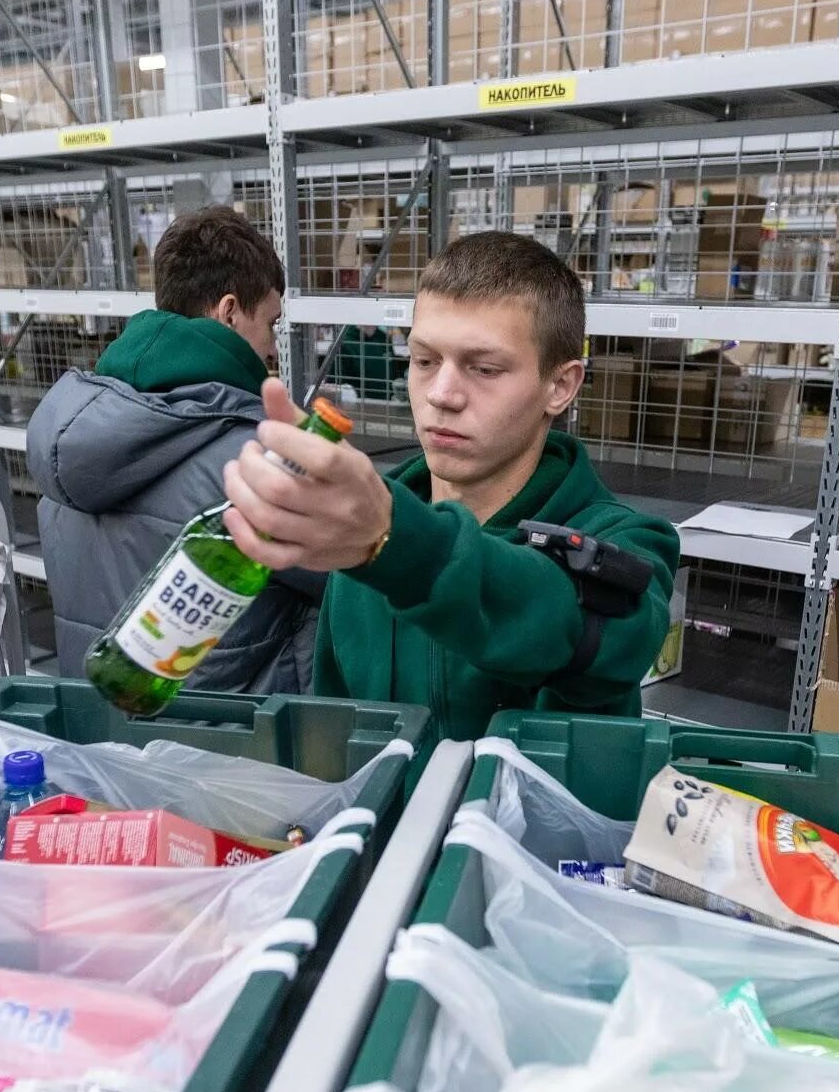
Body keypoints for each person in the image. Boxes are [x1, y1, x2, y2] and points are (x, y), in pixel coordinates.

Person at [218, 230, 680, 739]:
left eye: (484, 368)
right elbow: (336, 739)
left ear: (560, 386)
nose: (442, 394)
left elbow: (600, 632)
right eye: (424, 361)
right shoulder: (361, 543)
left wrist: (397, 544)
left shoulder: (628, 541)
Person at [26, 204, 318, 691]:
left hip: (106, 742)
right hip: (235, 751)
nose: (272, 348)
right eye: (271, 323)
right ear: (228, 312)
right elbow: (359, 582)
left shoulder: (71, 437)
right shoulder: (253, 459)